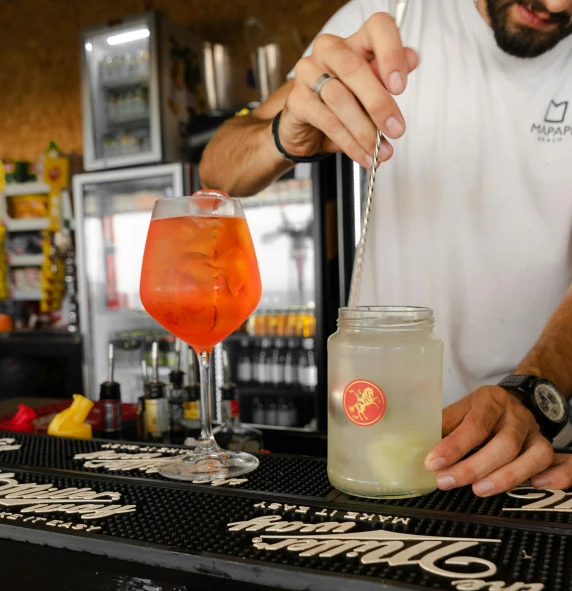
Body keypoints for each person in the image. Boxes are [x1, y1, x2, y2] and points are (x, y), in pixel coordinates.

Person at [200, 0, 572, 495]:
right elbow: (216, 168)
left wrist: (534, 391)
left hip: (537, 444)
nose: (556, 4)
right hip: (378, 433)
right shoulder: (394, 11)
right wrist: (282, 135)